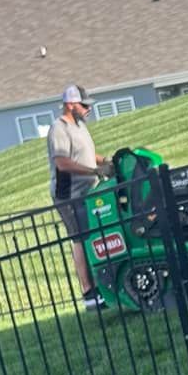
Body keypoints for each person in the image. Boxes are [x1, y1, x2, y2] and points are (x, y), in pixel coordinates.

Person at [48, 85, 109, 306]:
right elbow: (62, 162)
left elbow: (87, 154)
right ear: (70, 105)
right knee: (79, 238)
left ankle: (103, 284)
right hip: (69, 194)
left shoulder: (80, 127)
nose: (88, 109)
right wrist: (94, 171)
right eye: (84, 105)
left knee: (92, 235)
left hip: (89, 190)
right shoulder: (59, 128)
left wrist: (106, 162)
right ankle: (89, 293)